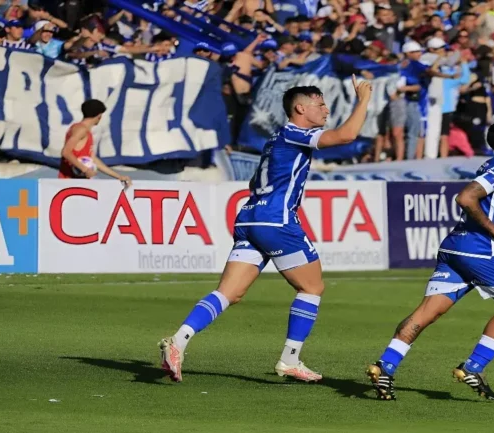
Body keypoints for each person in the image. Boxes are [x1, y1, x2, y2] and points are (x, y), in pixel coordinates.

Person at [159, 76, 373, 383]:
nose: (326, 110)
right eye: (320, 105)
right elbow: (347, 135)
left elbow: (254, 182)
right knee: (312, 288)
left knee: (229, 293)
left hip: (249, 216)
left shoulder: (275, 139)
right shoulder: (297, 133)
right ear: (300, 109)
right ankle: (290, 359)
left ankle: (178, 342)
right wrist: (363, 99)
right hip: (276, 221)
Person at [366, 120, 494, 401]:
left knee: (428, 311)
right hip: (481, 249)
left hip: (456, 247)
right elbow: (466, 197)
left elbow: (493, 206)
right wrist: (492, 229)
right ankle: (473, 367)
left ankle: (385, 366)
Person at [58, 99, 132, 187]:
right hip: (70, 182)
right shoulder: (81, 129)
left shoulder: (84, 131)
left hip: (81, 182)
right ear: (99, 116)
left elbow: (93, 160)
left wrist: (118, 176)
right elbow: (66, 152)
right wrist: (85, 169)